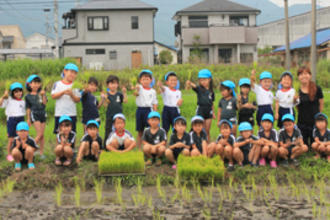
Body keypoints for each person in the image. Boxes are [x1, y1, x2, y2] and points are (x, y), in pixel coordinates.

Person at [296, 66, 324, 147]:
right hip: (302, 122)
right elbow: (297, 106)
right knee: (304, 145)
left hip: (314, 122)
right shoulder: (297, 91)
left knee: (314, 145)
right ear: (298, 77)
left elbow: (321, 103)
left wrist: (319, 117)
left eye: (306, 73)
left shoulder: (317, 88)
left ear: (310, 75)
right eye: (301, 74)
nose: (304, 76)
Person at [51, 63, 81, 134]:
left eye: (75, 73)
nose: (72, 74)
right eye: (71, 72)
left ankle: (71, 145)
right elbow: (53, 96)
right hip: (60, 113)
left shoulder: (76, 85)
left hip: (71, 113)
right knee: (59, 133)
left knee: (72, 133)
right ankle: (59, 145)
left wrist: (71, 94)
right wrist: (63, 92)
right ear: (65, 71)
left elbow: (78, 100)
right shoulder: (57, 84)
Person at [186, 69, 215, 141]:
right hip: (201, 110)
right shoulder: (199, 89)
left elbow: (212, 103)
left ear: (209, 79)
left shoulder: (211, 91)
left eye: (205, 79)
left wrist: (213, 112)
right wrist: (189, 83)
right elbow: (194, 86)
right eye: (201, 80)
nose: (203, 82)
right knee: (198, 128)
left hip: (209, 111)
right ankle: (195, 143)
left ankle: (207, 144)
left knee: (207, 130)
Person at [0, 82, 25, 162]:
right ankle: (9, 154)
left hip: (21, 119)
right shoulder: (8, 100)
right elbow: (0, 104)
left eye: (20, 91)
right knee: (11, 139)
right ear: (12, 93)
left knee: (21, 138)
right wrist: (3, 97)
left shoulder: (23, 102)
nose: (18, 93)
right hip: (12, 120)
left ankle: (19, 152)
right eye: (16, 92)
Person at [133, 69, 158, 148]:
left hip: (149, 111)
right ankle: (139, 149)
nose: (145, 81)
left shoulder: (153, 91)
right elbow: (135, 91)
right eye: (143, 79)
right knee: (140, 131)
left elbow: (154, 103)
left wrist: (155, 114)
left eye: (147, 79)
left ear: (151, 80)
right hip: (140, 110)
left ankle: (150, 147)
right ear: (140, 80)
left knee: (150, 130)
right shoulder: (140, 88)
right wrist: (136, 88)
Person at [25, 74, 47, 158]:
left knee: (42, 135)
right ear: (29, 84)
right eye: (34, 82)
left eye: (38, 83)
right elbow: (28, 108)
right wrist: (28, 119)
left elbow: (44, 104)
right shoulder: (28, 96)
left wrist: (43, 95)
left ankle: (41, 152)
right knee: (39, 133)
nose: (36, 84)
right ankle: (29, 149)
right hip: (35, 114)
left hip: (43, 114)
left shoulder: (41, 93)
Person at [104, 75, 127, 146]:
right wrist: (104, 99)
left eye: (115, 83)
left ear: (117, 84)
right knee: (108, 131)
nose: (113, 85)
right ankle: (106, 146)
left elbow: (125, 101)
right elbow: (105, 105)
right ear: (108, 85)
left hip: (119, 117)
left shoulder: (119, 94)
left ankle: (120, 145)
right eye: (111, 83)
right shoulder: (107, 95)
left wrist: (124, 93)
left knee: (119, 131)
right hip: (110, 116)